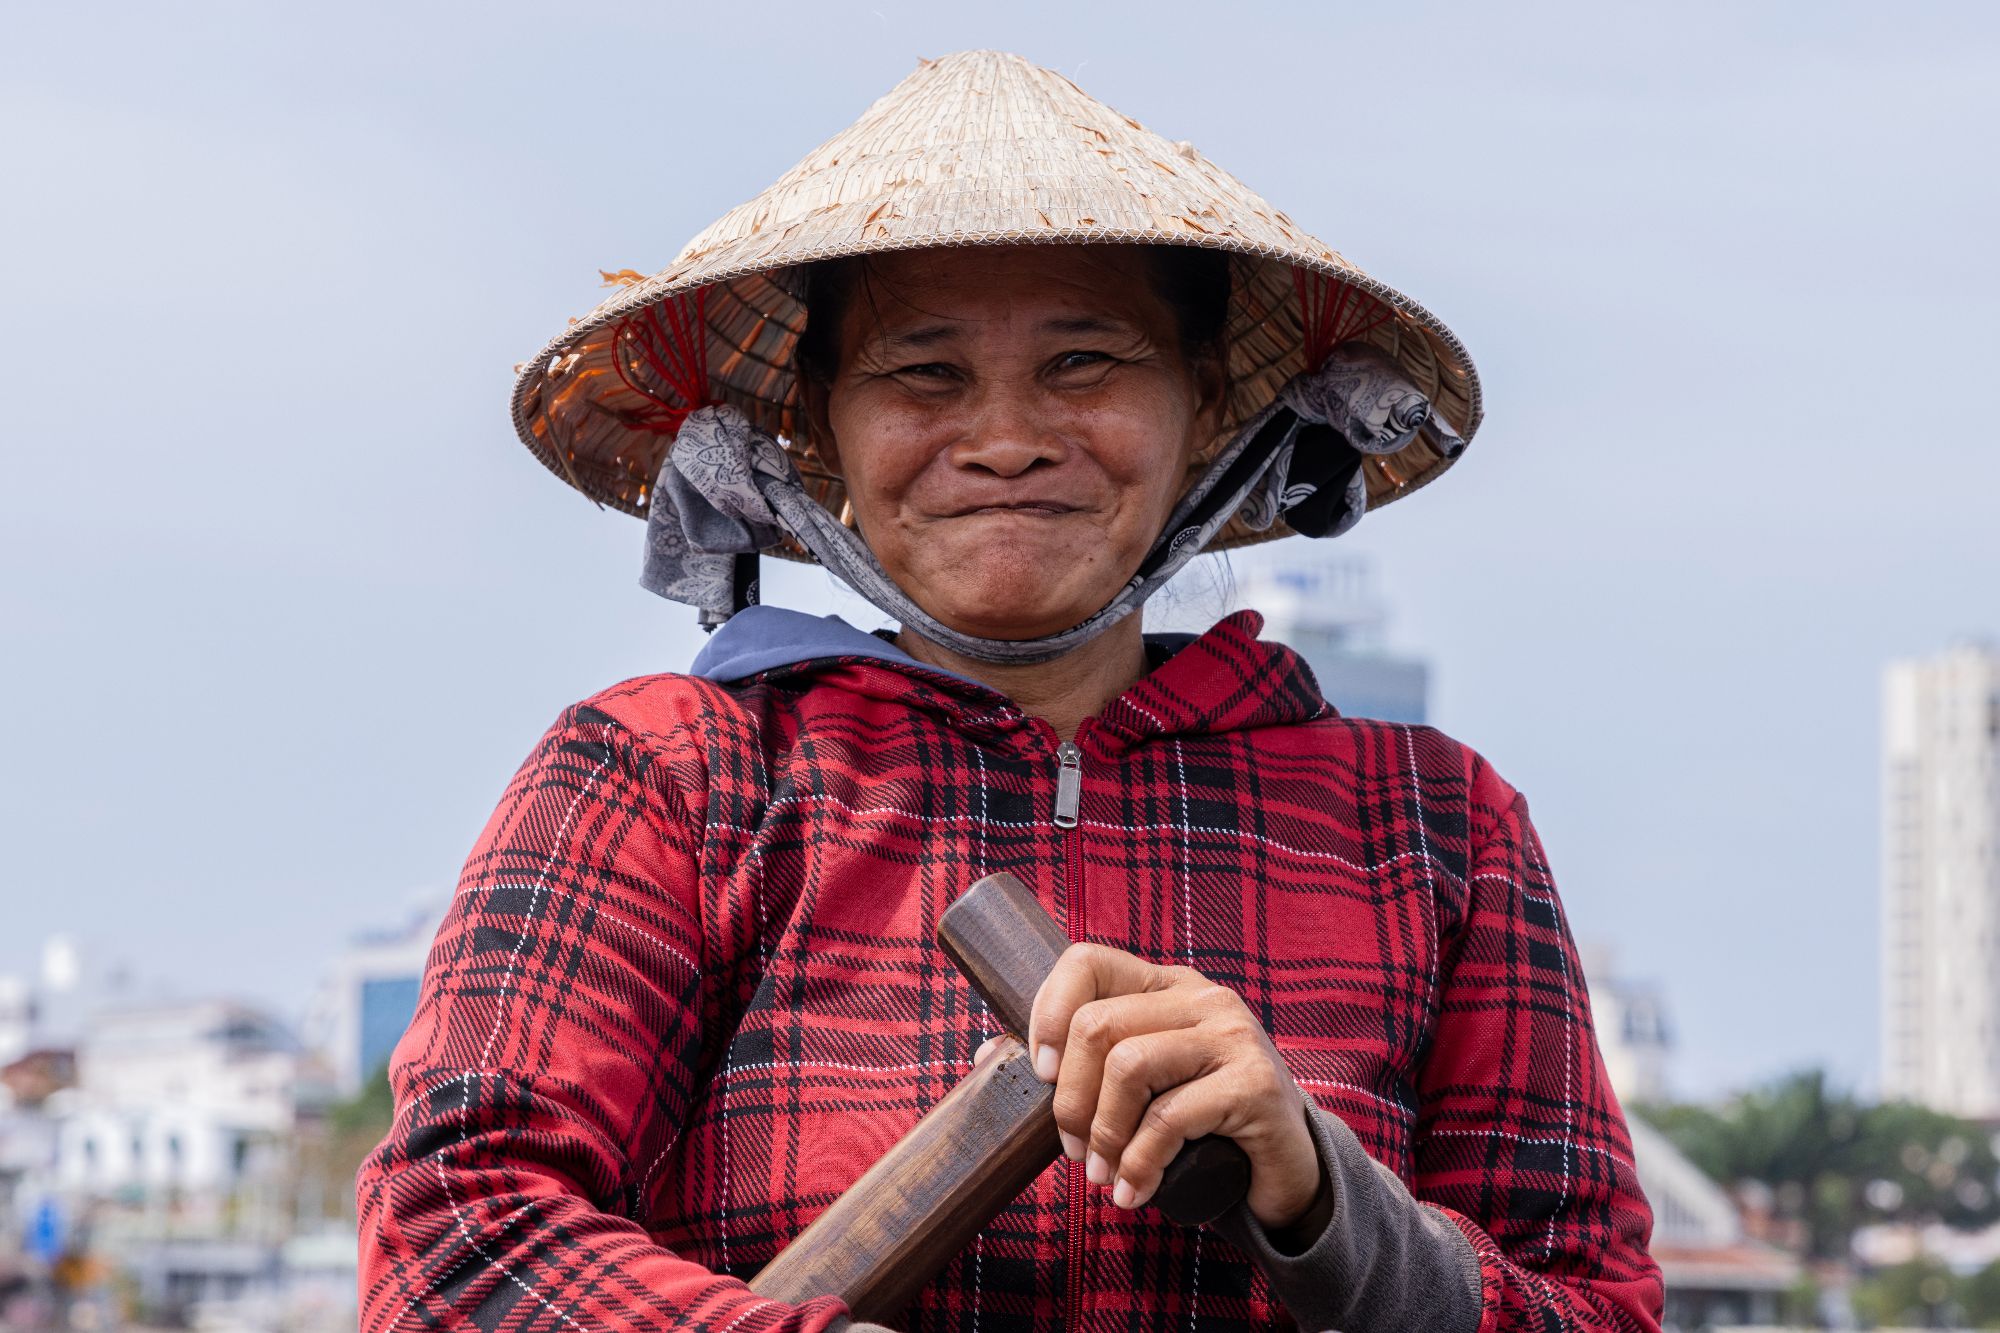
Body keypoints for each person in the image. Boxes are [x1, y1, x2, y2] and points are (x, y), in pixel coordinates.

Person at [357, 50, 1664, 1333]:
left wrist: (1322, 1192)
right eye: (924, 374)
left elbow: (1593, 1306)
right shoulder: (670, 771)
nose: (1005, 436)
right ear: (822, 431)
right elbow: (455, 1240)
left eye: (1084, 364)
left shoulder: (1432, 823)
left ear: (1202, 407)